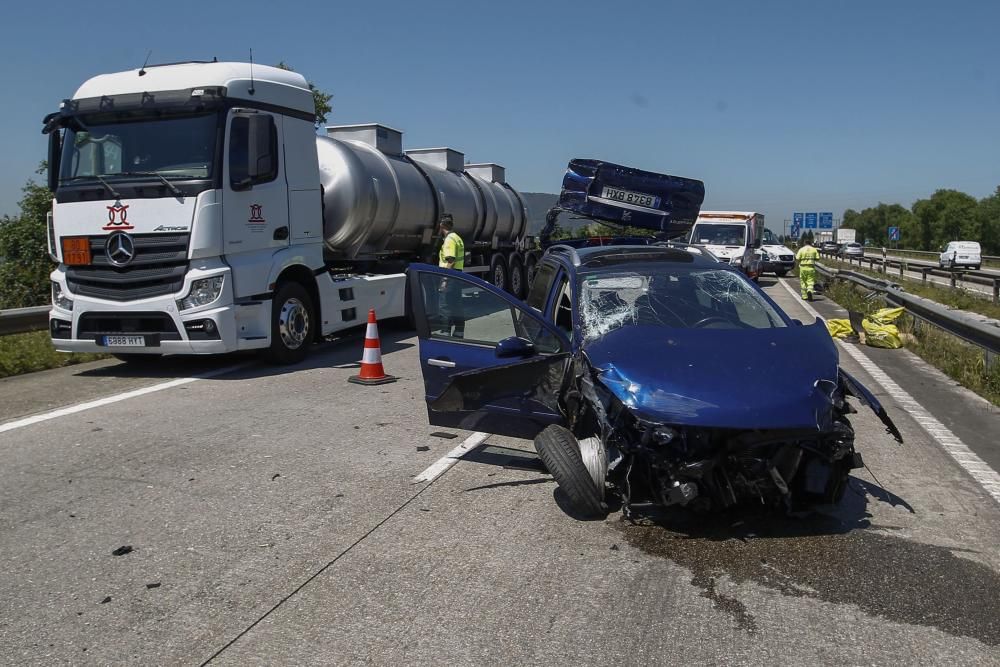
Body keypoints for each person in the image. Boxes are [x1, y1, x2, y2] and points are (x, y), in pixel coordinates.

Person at [437, 217, 465, 337]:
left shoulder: (449, 239)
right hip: (457, 274)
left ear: (441, 226)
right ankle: (459, 331)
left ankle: (445, 331)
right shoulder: (457, 237)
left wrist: (444, 279)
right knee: (456, 304)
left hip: (450, 275)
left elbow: (451, 260)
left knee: (445, 304)